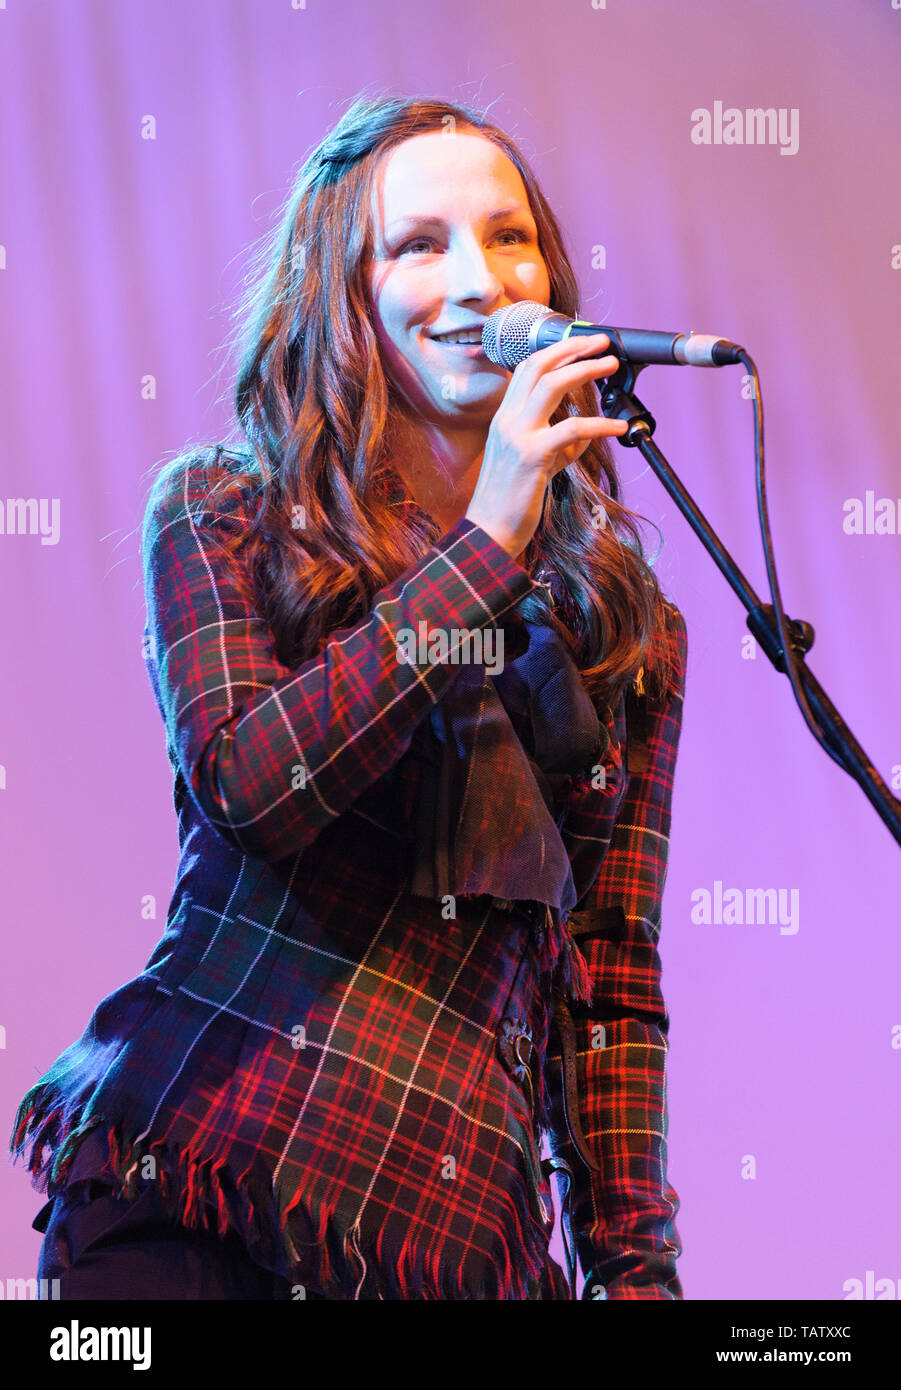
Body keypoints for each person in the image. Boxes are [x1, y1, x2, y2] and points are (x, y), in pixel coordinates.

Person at [10, 93, 688, 1300]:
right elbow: (256, 785)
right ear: (345, 290)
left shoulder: (621, 625)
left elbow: (610, 983)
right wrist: (486, 540)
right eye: (418, 244)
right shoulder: (228, 509)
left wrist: (638, 1278)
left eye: (509, 238)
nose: (479, 282)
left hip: (453, 1235)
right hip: (203, 1187)